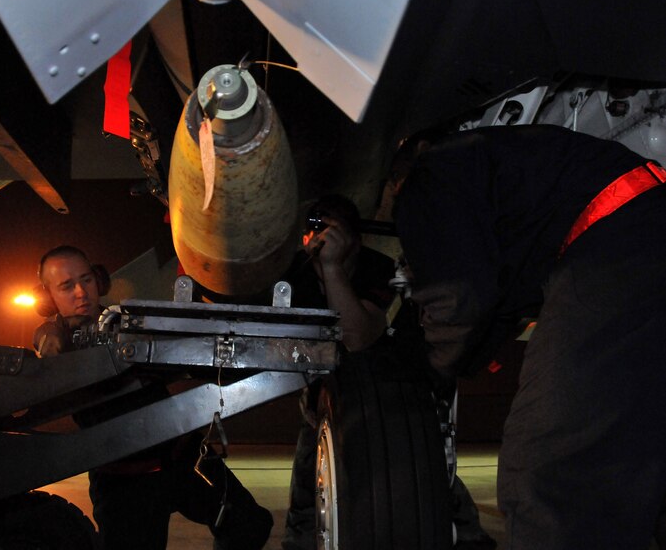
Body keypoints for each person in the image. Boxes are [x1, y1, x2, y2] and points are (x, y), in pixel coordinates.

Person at [390, 124, 666, 549]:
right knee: (632, 452)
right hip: (643, 229)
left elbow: (458, 298)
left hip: (617, 237)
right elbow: (493, 309)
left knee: (554, 470)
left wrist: (427, 367)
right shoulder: (509, 178)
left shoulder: (430, 172)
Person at [280, 195, 494, 549]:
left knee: (427, 487)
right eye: (313, 230)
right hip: (324, 406)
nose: (319, 239)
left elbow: (358, 337)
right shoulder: (296, 276)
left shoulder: (382, 271)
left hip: (390, 403)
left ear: (354, 239)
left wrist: (332, 271)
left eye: (332, 229)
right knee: (306, 510)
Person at [32, 245, 273, 550]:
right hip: (124, 482)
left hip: (183, 458)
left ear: (99, 281)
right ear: (46, 296)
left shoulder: (129, 321)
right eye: (67, 286)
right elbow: (46, 343)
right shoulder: (55, 336)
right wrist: (56, 346)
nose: (81, 292)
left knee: (249, 524)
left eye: (86, 280)